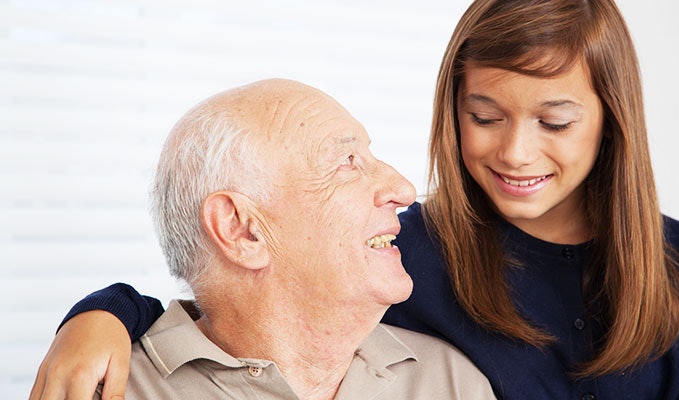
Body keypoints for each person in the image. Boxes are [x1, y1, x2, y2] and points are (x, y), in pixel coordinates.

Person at [30, 0, 679, 399]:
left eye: (554, 121)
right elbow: (234, 291)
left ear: (613, 120)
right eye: (484, 115)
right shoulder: (408, 250)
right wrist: (101, 315)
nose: (516, 152)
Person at [30, 78, 497, 400]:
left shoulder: (452, 382)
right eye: (347, 163)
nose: (402, 189)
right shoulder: (104, 387)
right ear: (241, 230)